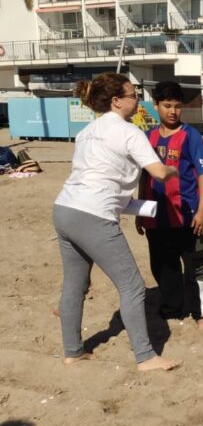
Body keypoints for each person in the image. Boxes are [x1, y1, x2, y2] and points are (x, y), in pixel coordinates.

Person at [53, 73, 181, 372]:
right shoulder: (128, 131)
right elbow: (158, 172)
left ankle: (73, 351)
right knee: (132, 286)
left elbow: (100, 176)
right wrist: (174, 169)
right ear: (116, 101)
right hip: (93, 214)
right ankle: (146, 357)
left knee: (74, 284)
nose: (138, 99)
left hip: (64, 208)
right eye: (133, 94)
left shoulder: (86, 132)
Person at [136, 81, 203, 330]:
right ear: (156, 105)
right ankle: (172, 308)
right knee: (162, 265)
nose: (173, 111)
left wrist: (202, 210)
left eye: (177, 106)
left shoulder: (191, 135)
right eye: (167, 105)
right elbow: (144, 176)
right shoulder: (147, 137)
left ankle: (201, 313)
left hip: (188, 215)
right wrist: (140, 210)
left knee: (195, 265)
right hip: (155, 216)